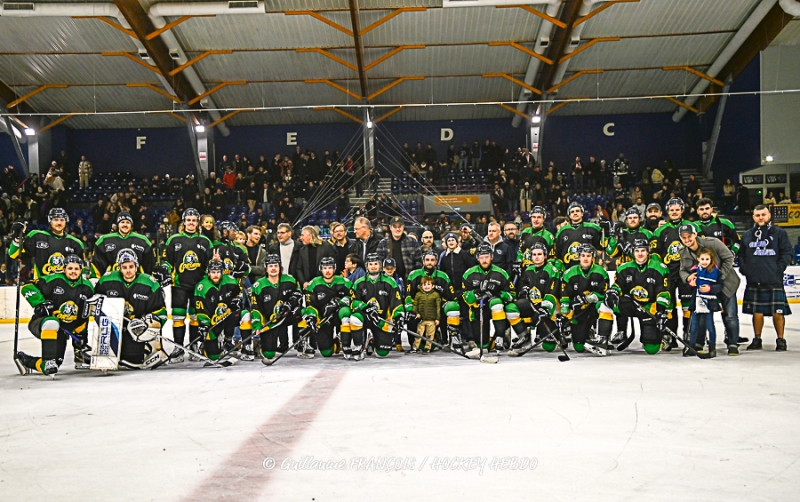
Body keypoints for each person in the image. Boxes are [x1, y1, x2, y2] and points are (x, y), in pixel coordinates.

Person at [15, 254, 94, 376]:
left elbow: (84, 316)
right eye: (70, 268)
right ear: (64, 269)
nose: (73, 272)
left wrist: (81, 341)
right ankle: (48, 361)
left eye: (76, 269)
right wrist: (40, 303)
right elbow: (27, 287)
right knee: (52, 322)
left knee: (55, 364)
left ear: (81, 270)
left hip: (62, 331)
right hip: (41, 323)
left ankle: (27, 361)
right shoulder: (53, 280)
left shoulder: (87, 287)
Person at [94, 249, 169, 369]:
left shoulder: (150, 283)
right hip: (114, 328)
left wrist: (147, 324)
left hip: (138, 331)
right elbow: (96, 304)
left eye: (131, 266)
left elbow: (161, 313)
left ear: (136, 267)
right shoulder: (107, 280)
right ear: (119, 267)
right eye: (124, 267)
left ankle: (150, 348)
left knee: (133, 359)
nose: (128, 270)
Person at [158, 208, 213, 362]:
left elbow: (209, 265)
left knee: (196, 317)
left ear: (198, 223)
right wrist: (165, 270)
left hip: (199, 286)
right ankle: (179, 348)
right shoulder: (174, 240)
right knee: (178, 317)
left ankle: (194, 347)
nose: (191, 223)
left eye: (194, 220)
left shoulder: (205, 241)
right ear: (184, 222)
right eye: (188, 220)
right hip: (179, 284)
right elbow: (167, 261)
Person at [679, 223, 742, 353]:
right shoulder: (683, 252)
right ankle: (698, 343)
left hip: (726, 284)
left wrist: (718, 277)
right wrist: (688, 278)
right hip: (703, 288)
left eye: (689, 236)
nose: (687, 240)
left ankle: (732, 344)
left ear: (695, 234)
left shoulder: (713, 243)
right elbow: (683, 270)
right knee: (702, 314)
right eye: (683, 237)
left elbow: (729, 257)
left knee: (730, 315)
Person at [739, 205, 792, 351]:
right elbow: (741, 255)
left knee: (778, 311)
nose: (761, 217)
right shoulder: (747, 235)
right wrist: (746, 269)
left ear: (769, 215)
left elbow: (787, 253)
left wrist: (778, 269)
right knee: (757, 311)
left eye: (763, 214)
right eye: (757, 215)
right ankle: (757, 339)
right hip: (754, 279)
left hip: (773, 279)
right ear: (753, 217)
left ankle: (781, 340)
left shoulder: (779, 233)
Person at [446, 244, 515, 358]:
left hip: (496, 308)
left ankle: (500, 337)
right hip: (479, 309)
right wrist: (475, 294)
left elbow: (511, 295)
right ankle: (490, 342)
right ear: (477, 258)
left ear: (491, 257)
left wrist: (498, 293)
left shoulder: (501, 273)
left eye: (487, 257)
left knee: (496, 303)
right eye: (481, 257)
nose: (484, 260)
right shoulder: (469, 274)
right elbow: (465, 296)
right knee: (483, 346)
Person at [604, 239, 670, 354]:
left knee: (651, 349)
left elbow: (663, 293)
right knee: (604, 304)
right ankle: (604, 338)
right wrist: (613, 292)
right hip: (631, 304)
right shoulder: (624, 268)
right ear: (633, 252)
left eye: (643, 250)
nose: (640, 254)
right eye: (637, 251)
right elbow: (618, 286)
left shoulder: (659, 268)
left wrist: (660, 311)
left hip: (649, 308)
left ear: (648, 252)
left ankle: (660, 336)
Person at [191, 261, 253, 361]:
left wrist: (236, 301)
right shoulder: (201, 287)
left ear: (222, 272)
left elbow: (239, 294)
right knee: (213, 356)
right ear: (208, 273)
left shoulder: (230, 281)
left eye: (218, 272)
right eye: (213, 272)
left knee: (246, 314)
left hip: (229, 316)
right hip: (213, 322)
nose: (216, 275)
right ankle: (208, 347)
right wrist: (204, 324)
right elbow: (200, 310)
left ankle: (246, 347)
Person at [506, 243, 561, 355]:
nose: (536, 257)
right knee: (511, 307)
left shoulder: (552, 270)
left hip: (549, 308)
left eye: (539, 254)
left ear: (545, 256)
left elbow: (553, 293)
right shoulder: (528, 270)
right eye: (534, 254)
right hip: (532, 305)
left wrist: (545, 308)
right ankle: (524, 337)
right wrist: (524, 290)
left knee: (549, 347)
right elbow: (522, 285)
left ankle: (553, 334)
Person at [653, 198, 694, 348]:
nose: (674, 212)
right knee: (668, 307)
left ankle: (689, 334)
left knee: (687, 306)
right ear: (667, 212)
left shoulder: (691, 227)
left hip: (687, 273)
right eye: (671, 210)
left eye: (677, 209)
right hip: (668, 274)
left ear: (682, 210)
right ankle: (670, 337)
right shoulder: (660, 231)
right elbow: (655, 253)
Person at [350, 254, 407, 358]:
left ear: (380, 265)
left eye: (376, 264)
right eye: (370, 264)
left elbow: (397, 303)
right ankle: (359, 346)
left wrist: (398, 317)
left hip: (381, 320)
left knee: (382, 353)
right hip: (365, 318)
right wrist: (366, 307)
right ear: (366, 266)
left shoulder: (390, 282)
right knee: (354, 318)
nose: (373, 266)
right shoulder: (359, 282)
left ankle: (372, 340)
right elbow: (353, 302)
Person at [560, 244, 613, 352]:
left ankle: (603, 339)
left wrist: (593, 297)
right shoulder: (569, 273)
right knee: (579, 347)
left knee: (604, 306)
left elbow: (605, 294)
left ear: (593, 257)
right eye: (583, 255)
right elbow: (564, 295)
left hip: (593, 308)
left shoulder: (601, 272)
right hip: (578, 310)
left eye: (588, 256)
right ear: (578, 257)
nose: (585, 258)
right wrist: (565, 310)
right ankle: (587, 331)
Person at [250, 254, 304, 360]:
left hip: (286, 316)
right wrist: (257, 325)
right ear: (266, 268)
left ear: (280, 267)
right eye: (270, 266)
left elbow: (298, 293)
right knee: (269, 354)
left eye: (276, 265)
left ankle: (302, 341)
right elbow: (255, 308)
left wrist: (291, 302)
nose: (273, 268)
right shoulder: (259, 285)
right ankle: (262, 344)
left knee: (303, 312)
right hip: (271, 321)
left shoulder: (290, 280)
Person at [9, 207, 85, 280]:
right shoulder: (36, 236)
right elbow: (14, 255)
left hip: (67, 288)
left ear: (66, 221)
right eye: (56, 220)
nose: (59, 223)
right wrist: (17, 239)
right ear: (50, 221)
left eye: (62, 220)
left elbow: (81, 270)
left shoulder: (76, 243)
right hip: (41, 288)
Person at [300, 256, 353, 359]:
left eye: (330, 268)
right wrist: (312, 317)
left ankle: (346, 345)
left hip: (338, 315)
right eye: (325, 268)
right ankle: (335, 344)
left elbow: (352, 296)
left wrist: (340, 302)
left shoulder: (344, 281)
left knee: (345, 311)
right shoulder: (314, 283)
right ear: (321, 269)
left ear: (334, 268)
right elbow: (310, 305)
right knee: (326, 353)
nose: (327, 271)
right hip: (323, 318)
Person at [92, 211, 155, 277]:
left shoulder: (143, 241)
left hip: (137, 283)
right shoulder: (104, 240)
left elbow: (149, 266)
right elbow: (97, 265)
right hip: (112, 281)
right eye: (122, 222)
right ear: (118, 224)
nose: (125, 225)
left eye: (128, 222)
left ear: (131, 225)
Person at [686, 248, 723, 358]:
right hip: (697, 301)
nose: (704, 261)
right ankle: (691, 347)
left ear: (711, 259)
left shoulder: (715, 272)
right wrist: (691, 284)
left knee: (710, 326)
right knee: (693, 327)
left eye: (707, 259)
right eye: (702, 259)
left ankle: (712, 348)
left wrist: (710, 288)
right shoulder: (694, 271)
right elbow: (690, 286)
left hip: (709, 302)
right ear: (698, 259)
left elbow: (720, 286)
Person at [554, 202, 603, 269]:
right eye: (572, 212)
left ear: (582, 213)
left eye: (577, 211)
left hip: (589, 272)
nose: (575, 213)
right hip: (568, 272)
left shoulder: (593, 228)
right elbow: (557, 255)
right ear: (569, 215)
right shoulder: (562, 231)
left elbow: (600, 249)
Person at [376, 216, 422, 281]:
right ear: (390, 227)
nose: (397, 229)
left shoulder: (412, 242)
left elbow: (419, 261)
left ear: (403, 227)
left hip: (409, 281)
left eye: (399, 226)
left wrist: (414, 275)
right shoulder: (383, 243)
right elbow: (379, 263)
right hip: (388, 282)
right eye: (395, 226)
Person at [411, 276, 441, 353]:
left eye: (428, 284)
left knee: (430, 335)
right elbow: (415, 305)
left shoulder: (436, 295)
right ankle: (415, 347)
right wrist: (416, 313)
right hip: (421, 319)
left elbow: (438, 307)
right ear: (421, 286)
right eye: (424, 285)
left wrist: (438, 318)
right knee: (418, 334)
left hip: (431, 319)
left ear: (433, 286)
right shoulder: (418, 294)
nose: (426, 286)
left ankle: (428, 347)